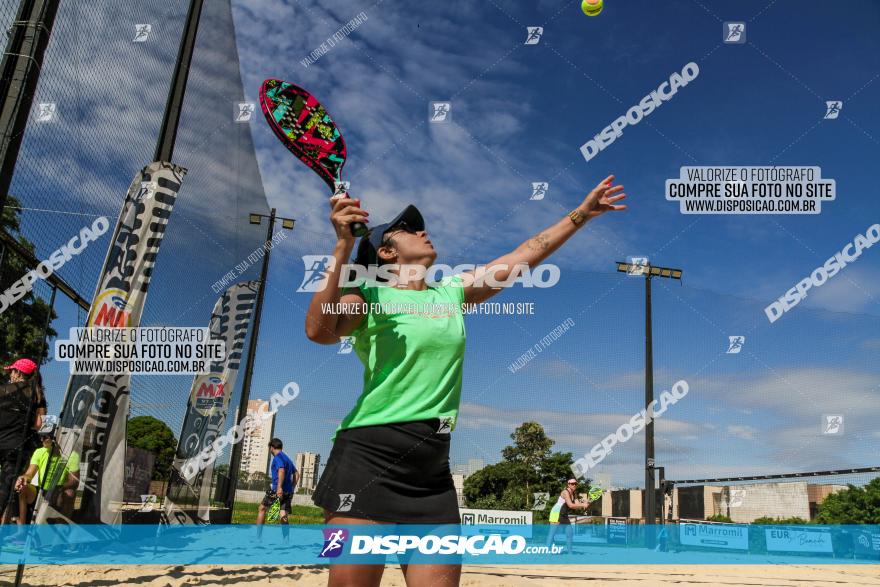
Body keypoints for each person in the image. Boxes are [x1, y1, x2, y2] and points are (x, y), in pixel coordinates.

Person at [305, 175, 627, 586]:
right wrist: (342, 245)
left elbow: (523, 254)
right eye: (408, 229)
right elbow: (319, 330)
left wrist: (582, 214)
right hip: (367, 458)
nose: (423, 230)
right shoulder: (368, 298)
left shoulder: (450, 293)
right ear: (386, 252)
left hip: (431, 471)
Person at [11, 418, 79, 537]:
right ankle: (21, 531)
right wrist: (23, 478)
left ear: (54, 437)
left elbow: (74, 481)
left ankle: (60, 536)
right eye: (40, 436)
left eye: (45, 437)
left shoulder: (71, 454)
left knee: (69, 493)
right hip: (41, 491)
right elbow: (29, 474)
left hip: (58, 491)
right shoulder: (39, 452)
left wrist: (59, 487)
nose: (41, 440)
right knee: (20, 487)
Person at [0, 358, 46, 523]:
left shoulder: (4, 389)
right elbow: (39, 424)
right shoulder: (37, 393)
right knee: (5, 489)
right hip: (17, 446)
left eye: (12, 371)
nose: (10, 374)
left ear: (18, 372)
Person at [256, 438, 298, 538]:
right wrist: (292, 487)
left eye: (269, 447)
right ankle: (286, 540)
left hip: (277, 490)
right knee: (283, 514)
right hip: (288, 491)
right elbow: (296, 473)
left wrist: (279, 488)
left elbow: (281, 471)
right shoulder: (287, 458)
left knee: (262, 508)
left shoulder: (277, 457)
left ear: (272, 447)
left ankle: (257, 537)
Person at [547, 478, 591, 554]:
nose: (574, 485)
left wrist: (585, 504)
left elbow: (577, 505)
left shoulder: (574, 493)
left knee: (569, 533)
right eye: (572, 483)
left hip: (564, 514)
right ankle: (547, 551)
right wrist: (583, 505)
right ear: (568, 484)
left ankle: (570, 553)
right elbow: (570, 505)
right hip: (556, 513)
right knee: (552, 533)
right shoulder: (565, 492)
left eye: (575, 484)